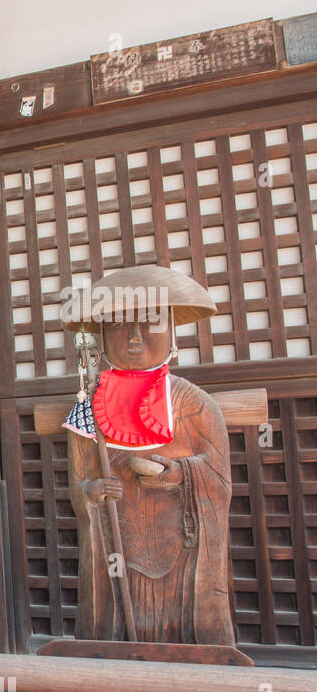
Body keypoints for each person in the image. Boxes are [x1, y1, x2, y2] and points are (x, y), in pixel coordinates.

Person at [63, 266, 233, 644]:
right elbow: (77, 485)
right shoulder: (88, 408)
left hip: (182, 552)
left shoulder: (192, 404)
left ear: (171, 331)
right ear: (102, 336)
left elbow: (220, 481)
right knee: (115, 626)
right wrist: (91, 492)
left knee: (184, 629)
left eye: (150, 323)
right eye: (121, 325)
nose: (135, 338)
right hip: (118, 548)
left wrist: (178, 473)